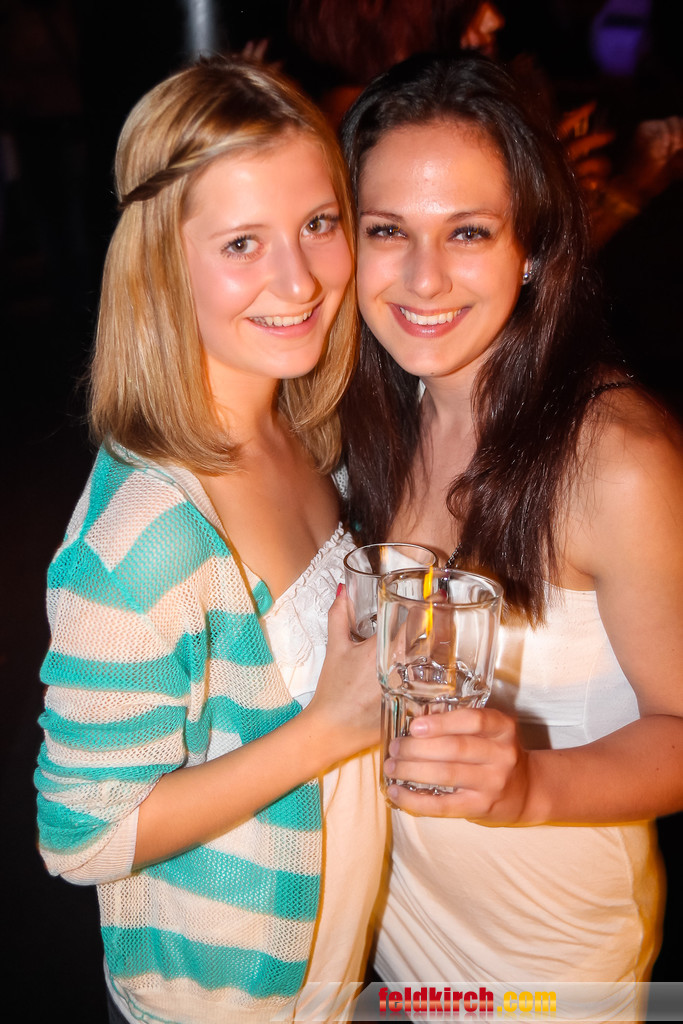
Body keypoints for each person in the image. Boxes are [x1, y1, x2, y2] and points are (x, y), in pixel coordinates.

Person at [34, 55, 385, 1024]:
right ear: (161, 262)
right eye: (241, 243)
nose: (299, 278)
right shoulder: (144, 537)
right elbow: (80, 838)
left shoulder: (303, 434)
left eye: (318, 223)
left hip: (333, 977)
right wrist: (324, 732)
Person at [339, 52, 683, 1018]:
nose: (422, 277)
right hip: (389, 946)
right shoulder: (367, 420)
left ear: (530, 246)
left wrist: (528, 784)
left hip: (544, 973)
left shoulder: (614, 458)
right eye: (386, 230)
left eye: (468, 232)